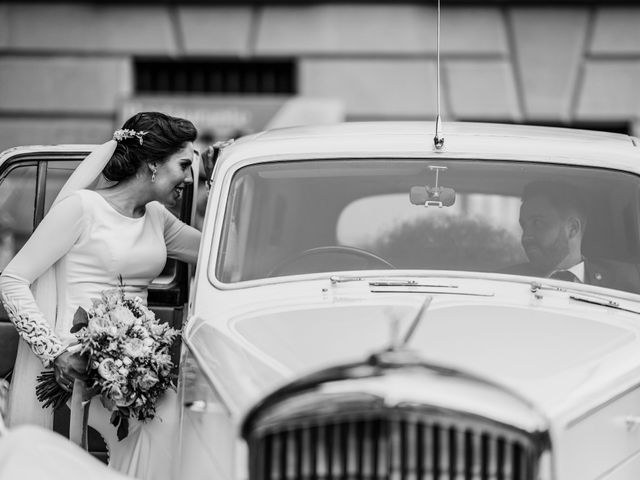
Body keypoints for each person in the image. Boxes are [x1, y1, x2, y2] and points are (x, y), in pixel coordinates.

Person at [0, 111, 200, 479]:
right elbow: (12, 280)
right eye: (184, 164)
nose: (189, 179)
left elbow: (215, 252)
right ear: (153, 164)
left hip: (140, 364)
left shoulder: (156, 217)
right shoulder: (82, 208)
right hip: (79, 364)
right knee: (164, 424)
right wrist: (55, 353)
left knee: (177, 425)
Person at [505, 180, 640, 292]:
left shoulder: (626, 280)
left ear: (572, 228)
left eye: (538, 223)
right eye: (524, 226)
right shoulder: (507, 281)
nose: (526, 237)